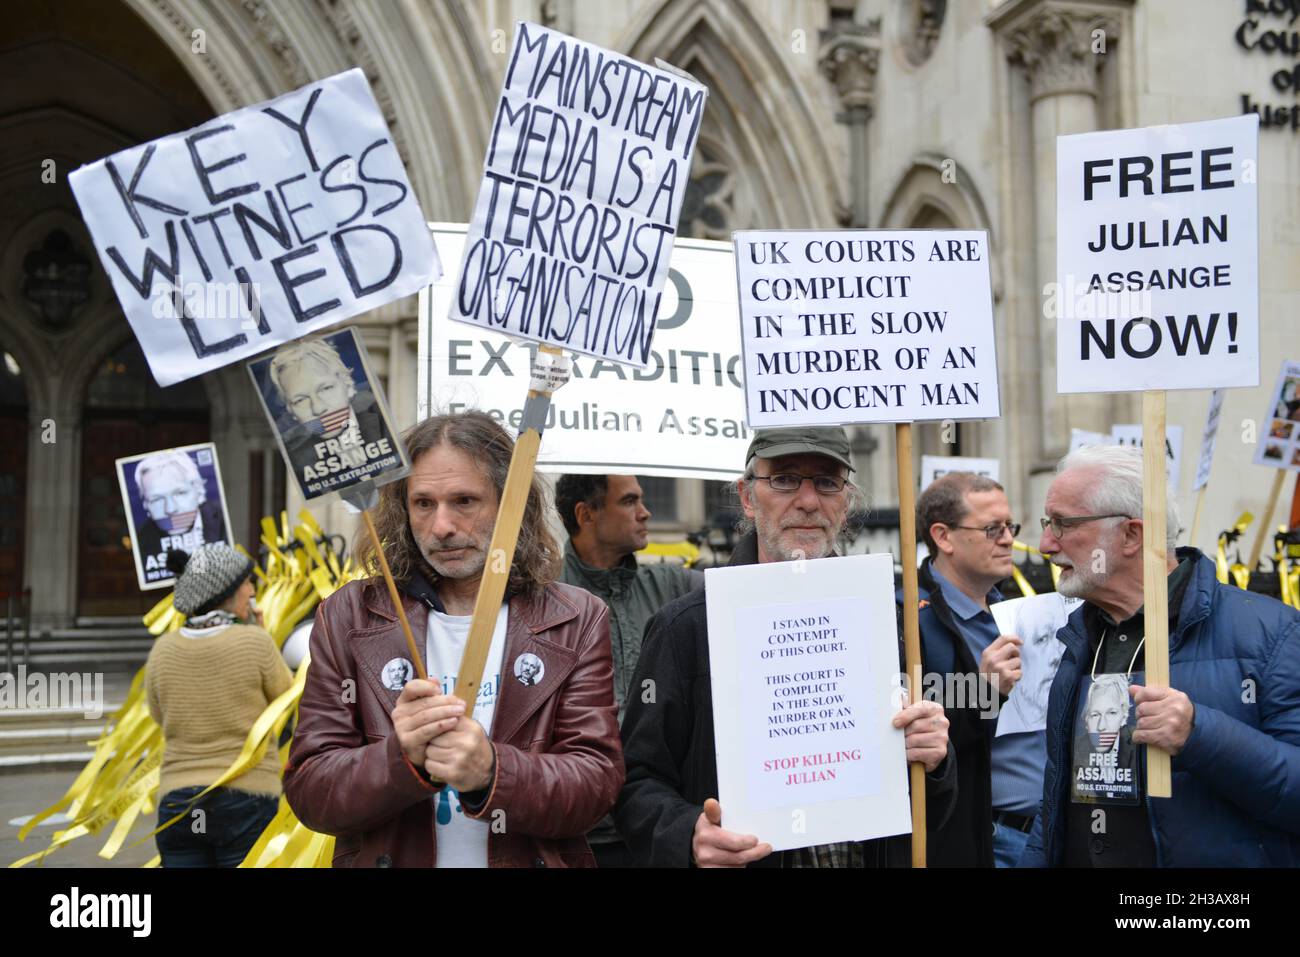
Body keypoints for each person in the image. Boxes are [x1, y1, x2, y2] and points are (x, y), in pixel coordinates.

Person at [283, 411, 624, 867]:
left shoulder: (575, 618)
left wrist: (492, 772)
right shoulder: (348, 617)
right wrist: (398, 759)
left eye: (464, 500)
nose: (441, 526)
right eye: (423, 503)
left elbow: (596, 784)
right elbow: (311, 791)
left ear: (509, 504)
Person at [616, 427, 956, 867]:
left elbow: (927, 807)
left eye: (827, 482)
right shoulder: (684, 629)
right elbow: (633, 783)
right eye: (785, 479)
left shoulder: (884, 621)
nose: (809, 501)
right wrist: (688, 836)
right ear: (746, 496)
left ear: (846, 500)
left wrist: (935, 759)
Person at [1021, 445, 1300, 867]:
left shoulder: (1271, 633)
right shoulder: (1080, 638)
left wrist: (1198, 734)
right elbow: (1057, 797)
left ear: (1132, 535)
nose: (1044, 544)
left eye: (1063, 523)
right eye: (1047, 522)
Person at [555, 473, 703, 867]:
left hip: (661, 830)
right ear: (586, 514)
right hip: (577, 834)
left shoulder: (678, 586)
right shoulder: (540, 599)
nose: (645, 512)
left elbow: (747, 590)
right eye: (629, 501)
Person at [906, 471, 1044, 868]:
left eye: (1009, 526)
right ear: (943, 536)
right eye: (991, 529)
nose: (1007, 539)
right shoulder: (909, 621)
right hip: (980, 838)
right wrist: (983, 690)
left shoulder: (1020, 610)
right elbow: (913, 728)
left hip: (1047, 832)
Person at [145, 543, 293, 867]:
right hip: (246, 798)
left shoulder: (163, 650)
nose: (253, 589)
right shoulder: (254, 641)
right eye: (247, 583)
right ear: (228, 591)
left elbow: (159, 714)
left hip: (179, 802)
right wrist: (261, 633)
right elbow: (285, 699)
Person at [268, 337, 391, 487]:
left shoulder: (385, 425)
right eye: (300, 400)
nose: (318, 408)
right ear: (290, 409)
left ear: (348, 384)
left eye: (326, 388)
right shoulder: (300, 461)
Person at [134, 450, 228, 577]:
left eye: (180, 493)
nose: (170, 509)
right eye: (157, 499)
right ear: (146, 505)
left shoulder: (224, 525)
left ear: (199, 492)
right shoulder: (141, 541)